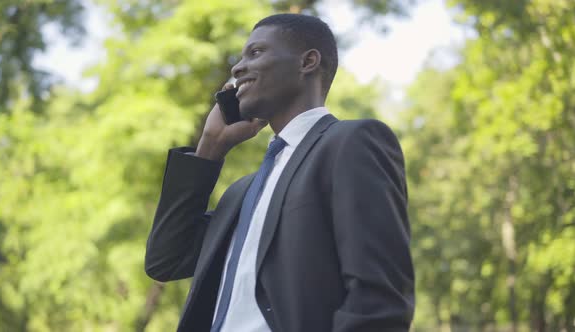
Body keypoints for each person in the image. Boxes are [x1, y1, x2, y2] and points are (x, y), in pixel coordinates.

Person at [145, 13, 414, 332]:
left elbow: (379, 299)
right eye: (241, 57)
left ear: (308, 62)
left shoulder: (351, 143)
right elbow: (166, 259)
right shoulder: (242, 192)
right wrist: (209, 148)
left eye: (256, 53)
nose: (237, 67)